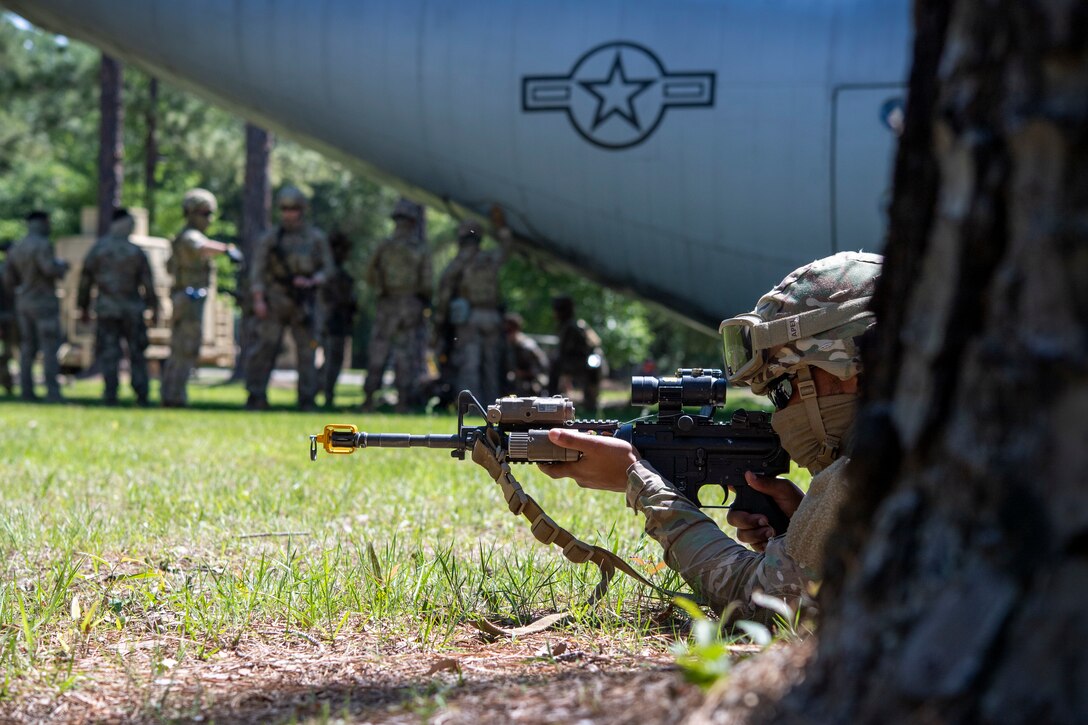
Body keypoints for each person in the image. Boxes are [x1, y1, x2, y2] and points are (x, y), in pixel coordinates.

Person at [533, 251, 883, 623]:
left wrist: (640, 484)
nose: (781, 415)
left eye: (783, 389)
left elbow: (764, 606)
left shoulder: (870, 470)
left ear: (850, 368)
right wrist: (804, 526)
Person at [245, 185, 335, 411]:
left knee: (308, 352)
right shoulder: (271, 238)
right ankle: (256, 396)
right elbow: (258, 270)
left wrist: (313, 280)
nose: (289, 213)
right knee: (266, 348)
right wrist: (259, 299)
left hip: (304, 302)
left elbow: (329, 269)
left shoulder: (315, 238)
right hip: (276, 299)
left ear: (302, 210)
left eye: (293, 208)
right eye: (285, 208)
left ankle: (307, 399)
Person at [161, 188, 241, 408]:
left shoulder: (188, 235)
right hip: (187, 300)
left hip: (188, 300)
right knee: (184, 347)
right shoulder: (190, 235)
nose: (209, 219)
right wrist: (227, 249)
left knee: (184, 347)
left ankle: (173, 395)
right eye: (204, 213)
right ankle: (174, 397)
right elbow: (201, 246)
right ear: (191, 213)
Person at [77, 208, 159, 406]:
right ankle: (141, 394)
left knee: (109, 352)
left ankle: (110, 394)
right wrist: (154, 307)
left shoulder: (98, 249)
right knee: (137, 353)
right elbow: (148, 283)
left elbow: (85, 282)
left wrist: (83, 307)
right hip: (132, 309)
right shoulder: (135, 251)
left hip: (107, 309)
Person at [362, 198, 431, 412]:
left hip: (387, 303)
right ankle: (402, 401)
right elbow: (427, 283)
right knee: (405, 354)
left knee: (378, 351)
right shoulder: (419, 248)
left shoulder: (385, 246)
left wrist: (382, 288)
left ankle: (369, 400)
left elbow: (369, 274)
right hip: (409, 304)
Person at [434, 218, 508, 407]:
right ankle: (494, 406)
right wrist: (501, 225)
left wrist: (440, 321)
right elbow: (506, 246)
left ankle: (472, 407)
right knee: (491, 364)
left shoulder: (459, 261)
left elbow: (444, 289)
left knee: (469, 364)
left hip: (470, 319)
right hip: (492, 316)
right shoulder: (490, 258)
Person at [4, 211, 69, 402]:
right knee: (49, 347)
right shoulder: (42, 244)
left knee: (27, 348)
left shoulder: (17, 247)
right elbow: (48, 268)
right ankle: (53, 393)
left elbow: (8, 278)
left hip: (23, 302)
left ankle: (26, 391)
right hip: (43, 302)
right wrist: (62, 267)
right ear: (42, 223)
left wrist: (20, 291)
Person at [318, 230, 358, 409]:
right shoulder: (329, 275)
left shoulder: (340, 275)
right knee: (332, 360)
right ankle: (323, 394)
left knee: (333, 360)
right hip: (331, 323)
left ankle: (325, 394)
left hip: (337, 323)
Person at [548, 295, 606, 412]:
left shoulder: (571, 326)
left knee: (554, 365)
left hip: (586, 363)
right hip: (588, 362)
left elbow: (565, 351)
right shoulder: (576, 324)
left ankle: (551, 402)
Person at [503, 312, 549, 397]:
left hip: (532, 384)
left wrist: (521, 373)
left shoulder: (526, 346)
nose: (506, 335)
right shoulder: (512, 345)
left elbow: (541, 368)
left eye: (508, 331)